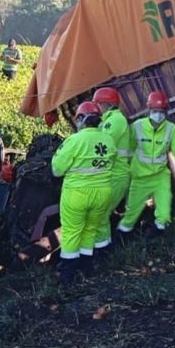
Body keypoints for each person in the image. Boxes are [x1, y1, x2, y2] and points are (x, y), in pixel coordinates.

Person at [51, 101, 116, 284]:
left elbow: (57, 169)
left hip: (77, 194)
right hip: (103, 193)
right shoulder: (108, 140)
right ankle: (86, 269)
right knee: (90, 229)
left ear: (81, 119)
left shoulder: (74, 140)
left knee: (72, 232)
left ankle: (67, 276)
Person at [115, 91, 175, 238]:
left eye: (161, 112)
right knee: (131, 213)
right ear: (149, 110)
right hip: (140, 178)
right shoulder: (137, 127)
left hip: (160, 177)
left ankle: (156, 234)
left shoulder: (171, 129)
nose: (158, 115)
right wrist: (123, 168)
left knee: (164, 213)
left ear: (166, 112)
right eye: (155, 111)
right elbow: (128, 149)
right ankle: (122, 237)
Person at [92, 87, 131, 256]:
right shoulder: (109, 120)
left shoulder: (114, 121)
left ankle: (104, 252)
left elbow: (102, 144)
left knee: (100, 215)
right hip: (112, 175)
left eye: (97, 104)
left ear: (104, 104)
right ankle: (103, 249)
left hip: (117, 176)